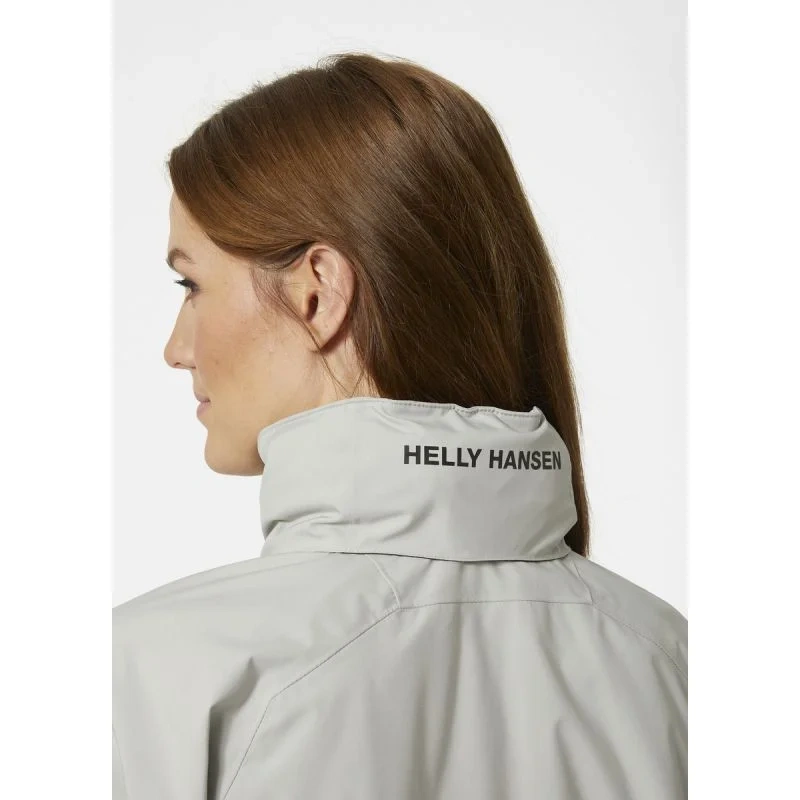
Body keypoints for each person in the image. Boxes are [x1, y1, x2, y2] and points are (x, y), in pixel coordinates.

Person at [112, 51, 687, 799]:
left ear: (317, 293)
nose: (175, 347)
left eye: (191, 284)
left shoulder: (154, 676)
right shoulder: (672, 662)